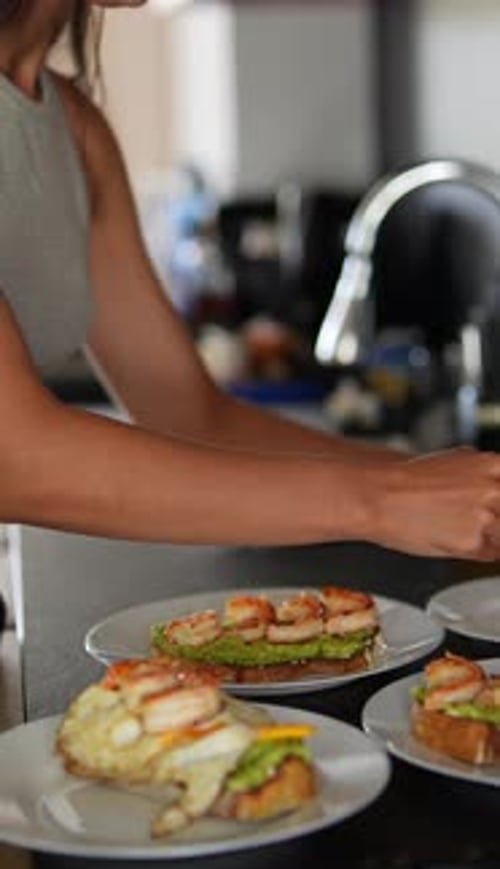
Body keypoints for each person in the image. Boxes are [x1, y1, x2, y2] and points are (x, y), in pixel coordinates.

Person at [0, 0, 500, 562]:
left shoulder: (75, 128)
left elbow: (188, 415)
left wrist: (463, 493)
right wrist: (382, 501)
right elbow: (15, 458)